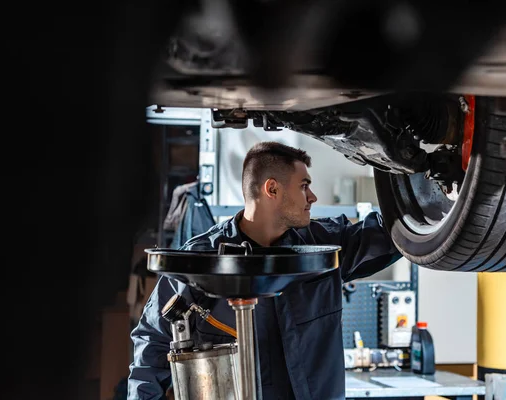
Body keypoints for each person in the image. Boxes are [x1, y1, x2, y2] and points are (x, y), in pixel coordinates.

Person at [128, 141, 403, 400]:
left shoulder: (324, 247)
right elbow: (151, 344)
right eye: (304, 186)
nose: (312, 196)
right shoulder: (200, 262)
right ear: (272, 189)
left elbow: (395, 233)